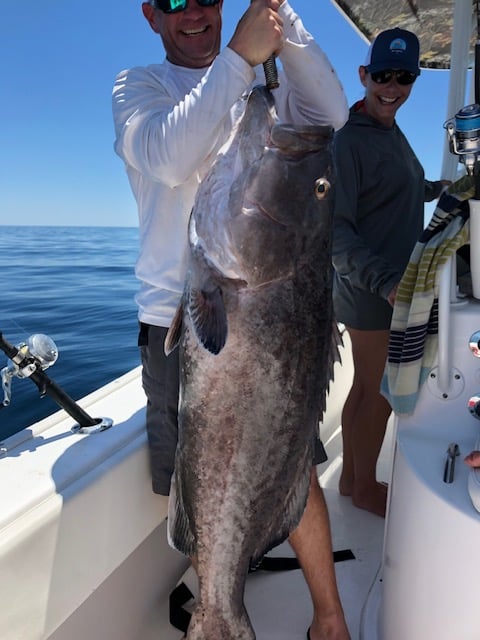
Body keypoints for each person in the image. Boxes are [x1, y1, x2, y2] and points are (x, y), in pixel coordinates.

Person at [112, 1, 350, 638]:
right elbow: (166, 156)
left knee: (292, 463)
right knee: (203, 469)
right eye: (172, 1)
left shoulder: (268, 92)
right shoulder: (142, 88)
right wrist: (239, 58)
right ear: (150, 15)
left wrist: (280, 19)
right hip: (178, 318)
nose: (192, 11)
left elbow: (330, 114)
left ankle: (329, 616)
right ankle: (219, 609)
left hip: (266, 307)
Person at [331, 28, 451, 518]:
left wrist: (441, 189)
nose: (393, 86)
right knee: (378, 387)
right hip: (374, 288)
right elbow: (334, 232)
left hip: (384, 285)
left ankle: (347, 480)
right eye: (383, 75)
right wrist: (385, 282)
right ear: (364, 75)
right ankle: (365, 485)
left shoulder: (388, 130)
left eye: (404, 77)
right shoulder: (348, 142)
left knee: (364, 384)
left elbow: (403, 184)